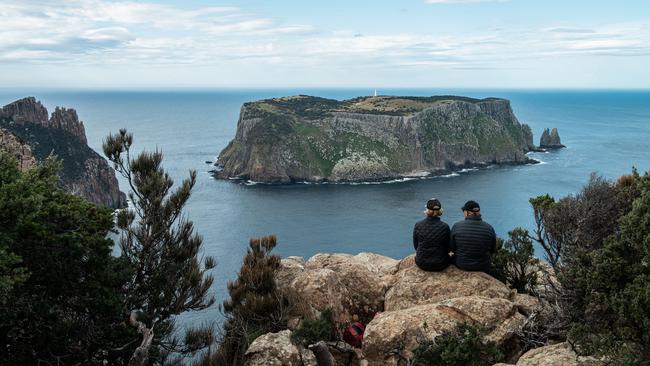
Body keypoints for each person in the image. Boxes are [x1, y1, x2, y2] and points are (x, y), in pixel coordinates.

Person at [450, 200, 497, 274]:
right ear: (479, 212)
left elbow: (452, 248)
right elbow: (492, 249)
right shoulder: (489, 228)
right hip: (483, 266)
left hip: (461, 264)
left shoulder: (457, 226)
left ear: (467, 213)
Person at [412, 198, 452, 271]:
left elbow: (416, 246)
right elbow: (448, 248)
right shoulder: (445, 226)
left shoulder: (418, 225)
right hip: (441, 264)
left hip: (422, 263)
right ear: (440, 210)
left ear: (427, 210)